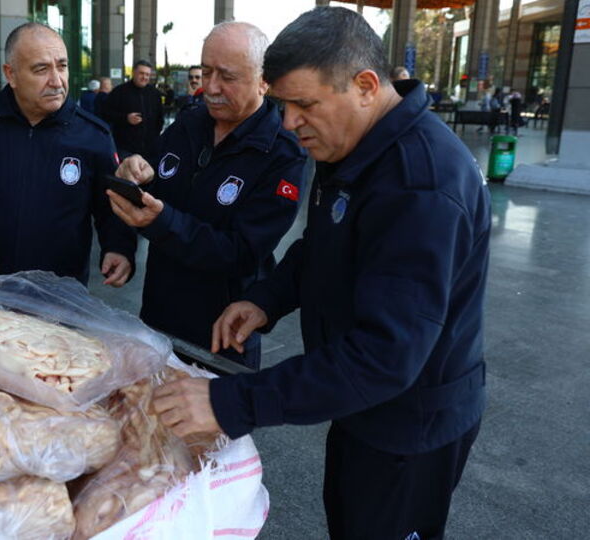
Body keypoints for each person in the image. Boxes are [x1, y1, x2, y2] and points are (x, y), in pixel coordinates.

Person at [153, 7, 490, 540]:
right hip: (359, 402)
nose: (289, 123)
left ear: (365, 86)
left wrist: (231, 402)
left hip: (408, 425)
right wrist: (266, 298)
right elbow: (324, 245)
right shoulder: (358, 145)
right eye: (283, 105)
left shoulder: (419, 186)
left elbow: (386, 355)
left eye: (304, 105)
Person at [108, 22, 306, 369]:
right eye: (206, 71)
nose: (211, 87)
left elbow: (241, 251)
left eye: (227, 77)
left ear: (264, 81)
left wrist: (162, 222)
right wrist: (135, 175)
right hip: (157, 320)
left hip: (222, 335)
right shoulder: (187, 124)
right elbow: (151, 183)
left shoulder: (282, 155)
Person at [0, 22, 136, 287]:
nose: (56, 81)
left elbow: (112, 207)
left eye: (62, 66)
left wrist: (119, 247)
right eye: (41, 69)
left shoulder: (94, 135)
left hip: (59, 295)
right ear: (11, 74)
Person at [102, 59, 164, 157]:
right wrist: (126, 118)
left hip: (150, 149)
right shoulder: (119, 91)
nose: (144, 77)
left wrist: (155, 137)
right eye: (141, 73)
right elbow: (105, 113)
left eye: (147, 74)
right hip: (125, 149)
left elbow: (160, 118)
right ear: (133, 73)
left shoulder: (155, 93)